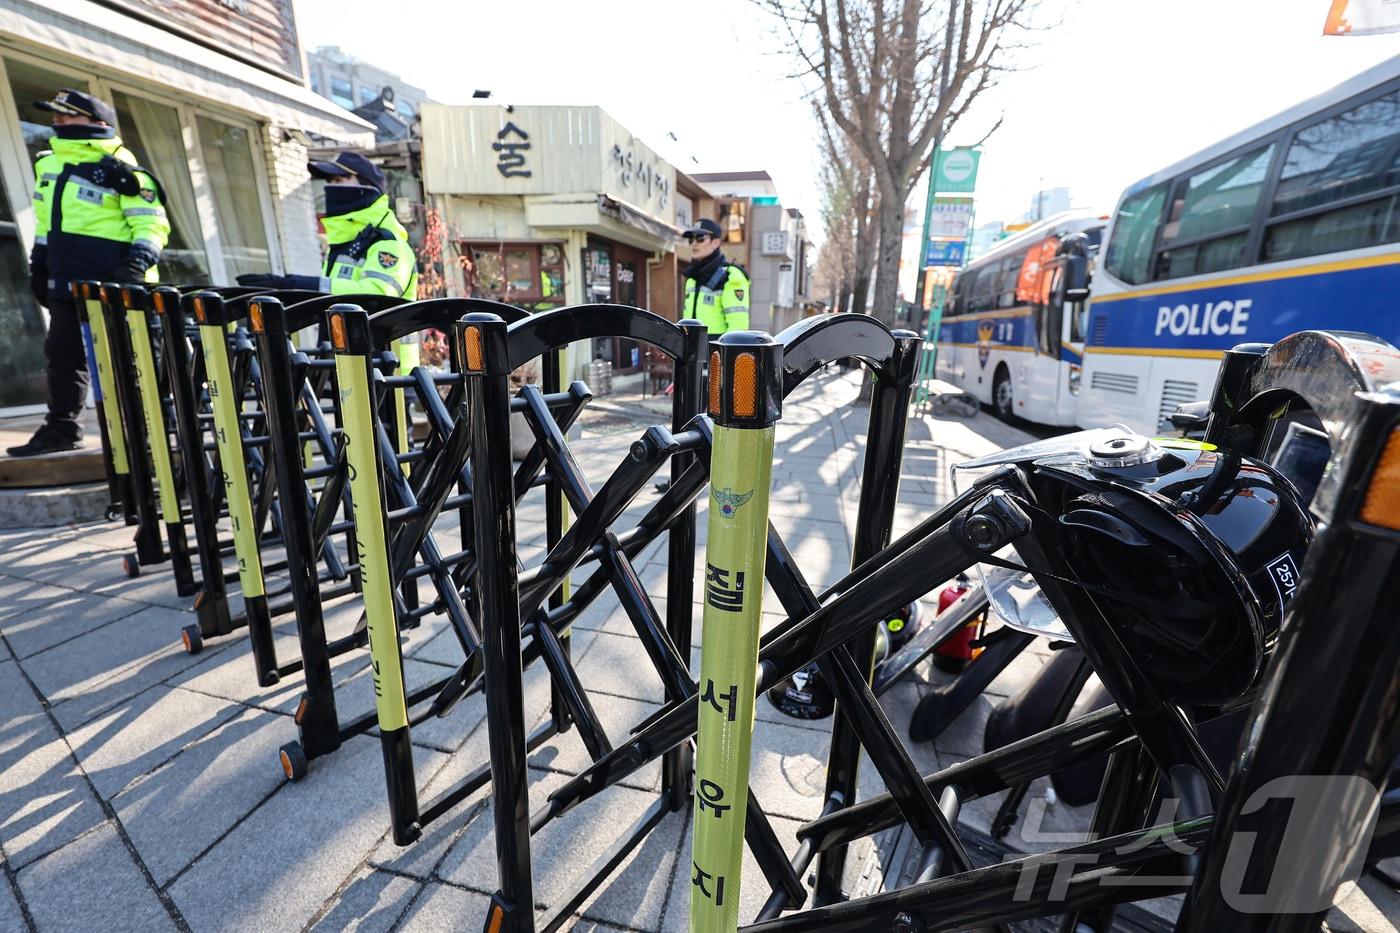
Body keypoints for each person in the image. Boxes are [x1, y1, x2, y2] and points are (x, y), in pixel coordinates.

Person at [8, 89, 170, 457]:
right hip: (68, 280)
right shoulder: (49, 164)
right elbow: (48, 224)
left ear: (98, 124)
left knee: (130, 362)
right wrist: (40, 265)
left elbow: (152, 226)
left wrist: (135, 265)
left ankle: (149, 435)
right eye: (56, 115)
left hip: (119, 285)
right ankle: (63, 430)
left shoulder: (123, 169)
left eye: (68, 116)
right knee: (62, 355)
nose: (58, 121)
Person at [237, 151, 417, 299]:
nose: (331, 187)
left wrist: (292, 285)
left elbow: (378, 295)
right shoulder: (344, 244)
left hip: (377, 344)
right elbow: (332, 298)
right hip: (340, 343)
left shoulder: (388, 244)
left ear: (366, 187)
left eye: (338, 180)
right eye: (329, 181)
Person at [679, 218, 749, 335]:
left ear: (716, 242)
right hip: (691, 349)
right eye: (691, 239)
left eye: (700, 238)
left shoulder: (731, 275)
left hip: (717, 350)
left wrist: (726, 352)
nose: (694, 243)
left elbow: (738, 327)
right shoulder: (692, 278)